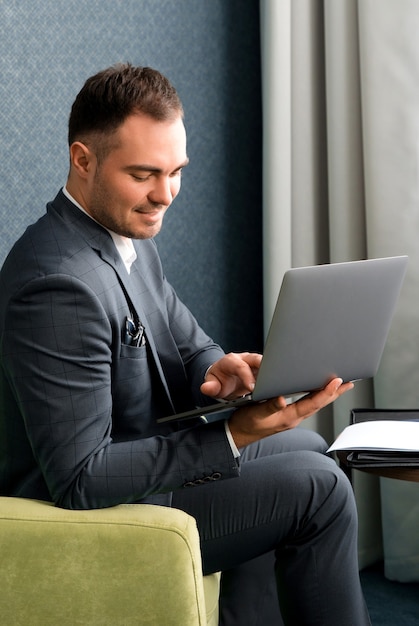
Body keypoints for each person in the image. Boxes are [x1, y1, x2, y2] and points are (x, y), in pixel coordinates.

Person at [0, 63, 371, 625]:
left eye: (177, 171)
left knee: (311, 451)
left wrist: (221, 368)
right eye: (145, 173)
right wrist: (235, 432)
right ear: (83, 159)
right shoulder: (58, 283)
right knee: (318, 488)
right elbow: (80, 479)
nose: (165, 194)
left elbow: (180, 336)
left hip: (141, 459)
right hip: (94, 504)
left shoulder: (125, 230)